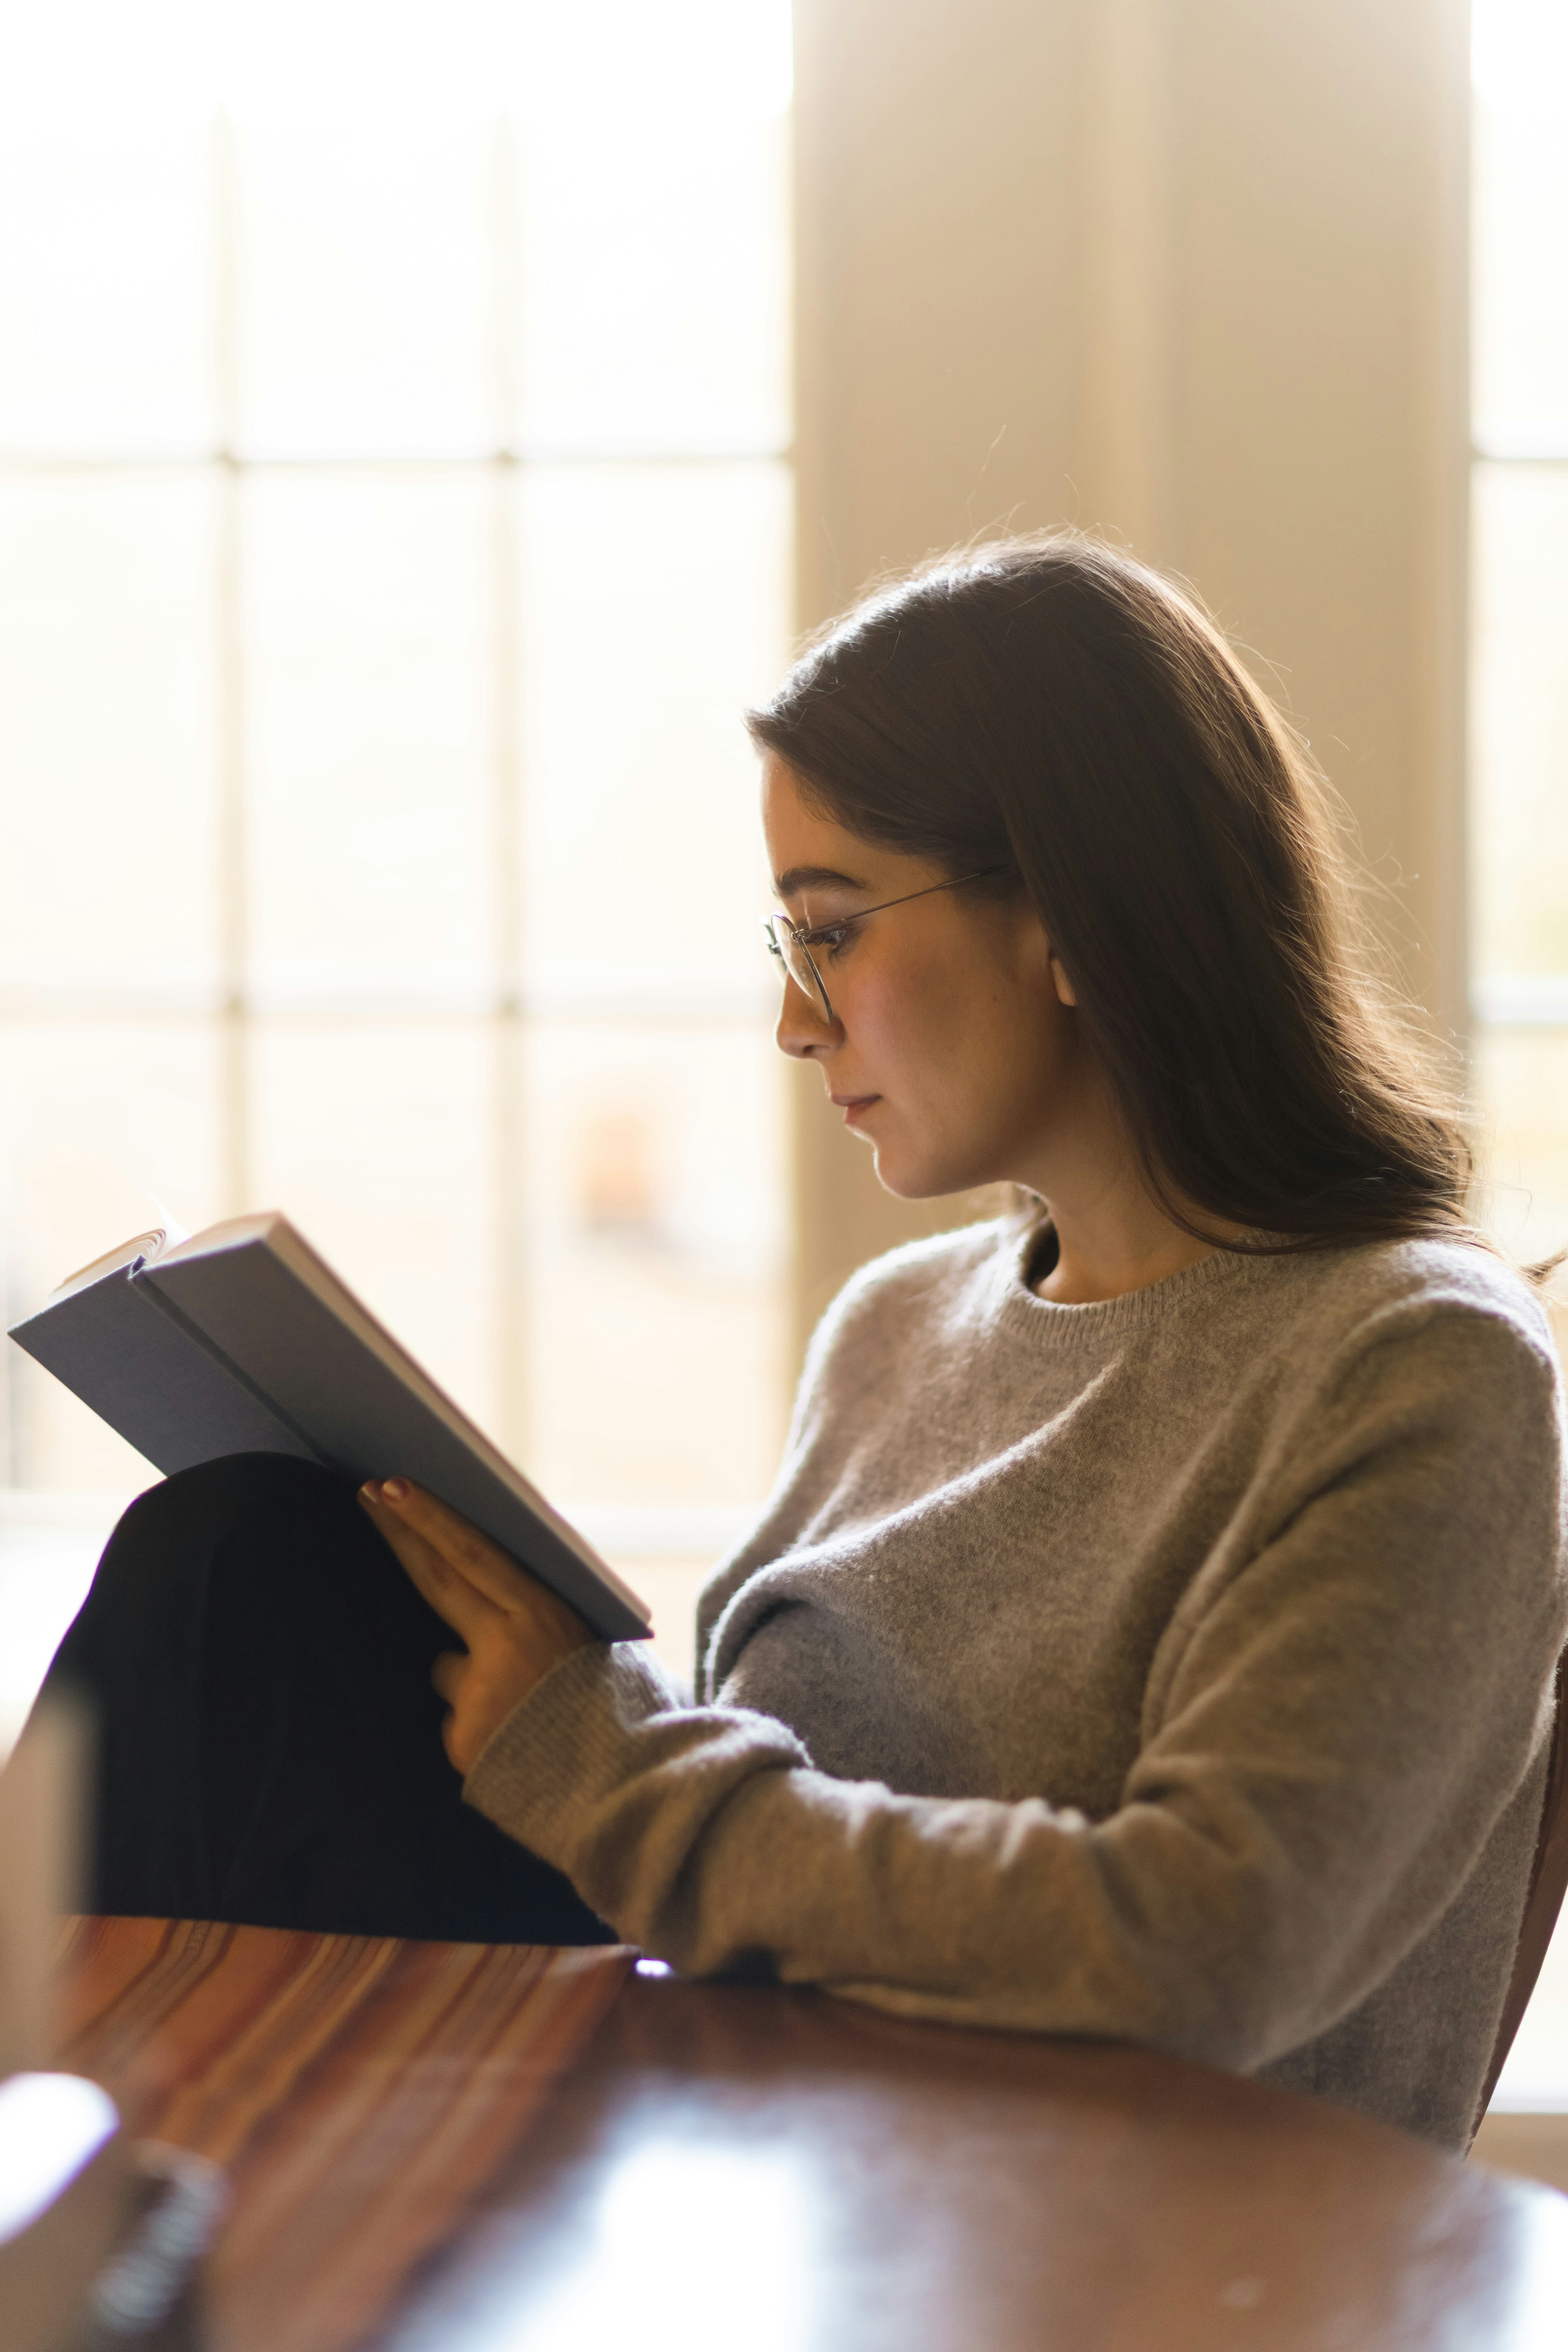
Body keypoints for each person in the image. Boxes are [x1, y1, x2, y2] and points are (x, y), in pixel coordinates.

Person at [43, 535, 1566, 2149]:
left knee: (240, 1585)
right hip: (756, 2138)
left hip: (1097, 2242)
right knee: (243, 1558)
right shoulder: (891, 1334)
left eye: (828, 930)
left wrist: (612, 1769)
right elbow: (736, 1832)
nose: (794, 1019)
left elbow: (1196, 1946)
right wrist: (572, 1714)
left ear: (1074, 924)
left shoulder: (1413, 1363)